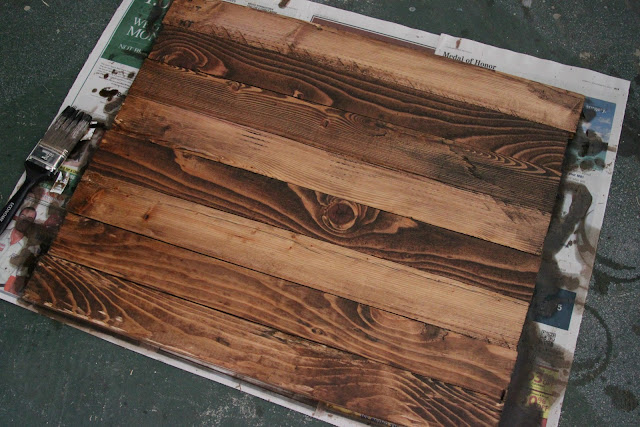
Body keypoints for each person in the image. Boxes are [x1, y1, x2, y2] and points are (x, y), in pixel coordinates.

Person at [0, 206, 37, 294]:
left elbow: (18, 277)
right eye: (23, 216)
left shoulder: (29, 248)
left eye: (29, 219)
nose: (25, 220)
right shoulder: (2, 232)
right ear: (17, 217)